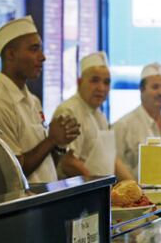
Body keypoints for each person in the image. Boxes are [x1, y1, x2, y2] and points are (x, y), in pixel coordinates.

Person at [0, 16, 80, 183]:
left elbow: (43, 160)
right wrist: (51, 139)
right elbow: (11, 170)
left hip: (43, 200)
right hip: (21, 207)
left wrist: (59, 143)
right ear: (11, 54)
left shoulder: (33, 100)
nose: (42, 57)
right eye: (34, 49)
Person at [53, 51, 133, 181]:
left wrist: (135, 187)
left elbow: (111, 159)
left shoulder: (99, 115)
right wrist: (98, 187)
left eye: (106, 82)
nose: (101, 88)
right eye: (94, 81)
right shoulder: (69, 111)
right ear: (79, 82)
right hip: (78, 192)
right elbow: (68, 162)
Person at [113, 62, 161, 179]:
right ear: (142, 89)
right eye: (155, 87)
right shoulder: (123, 126)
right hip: (136, 194)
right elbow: (114, 169)